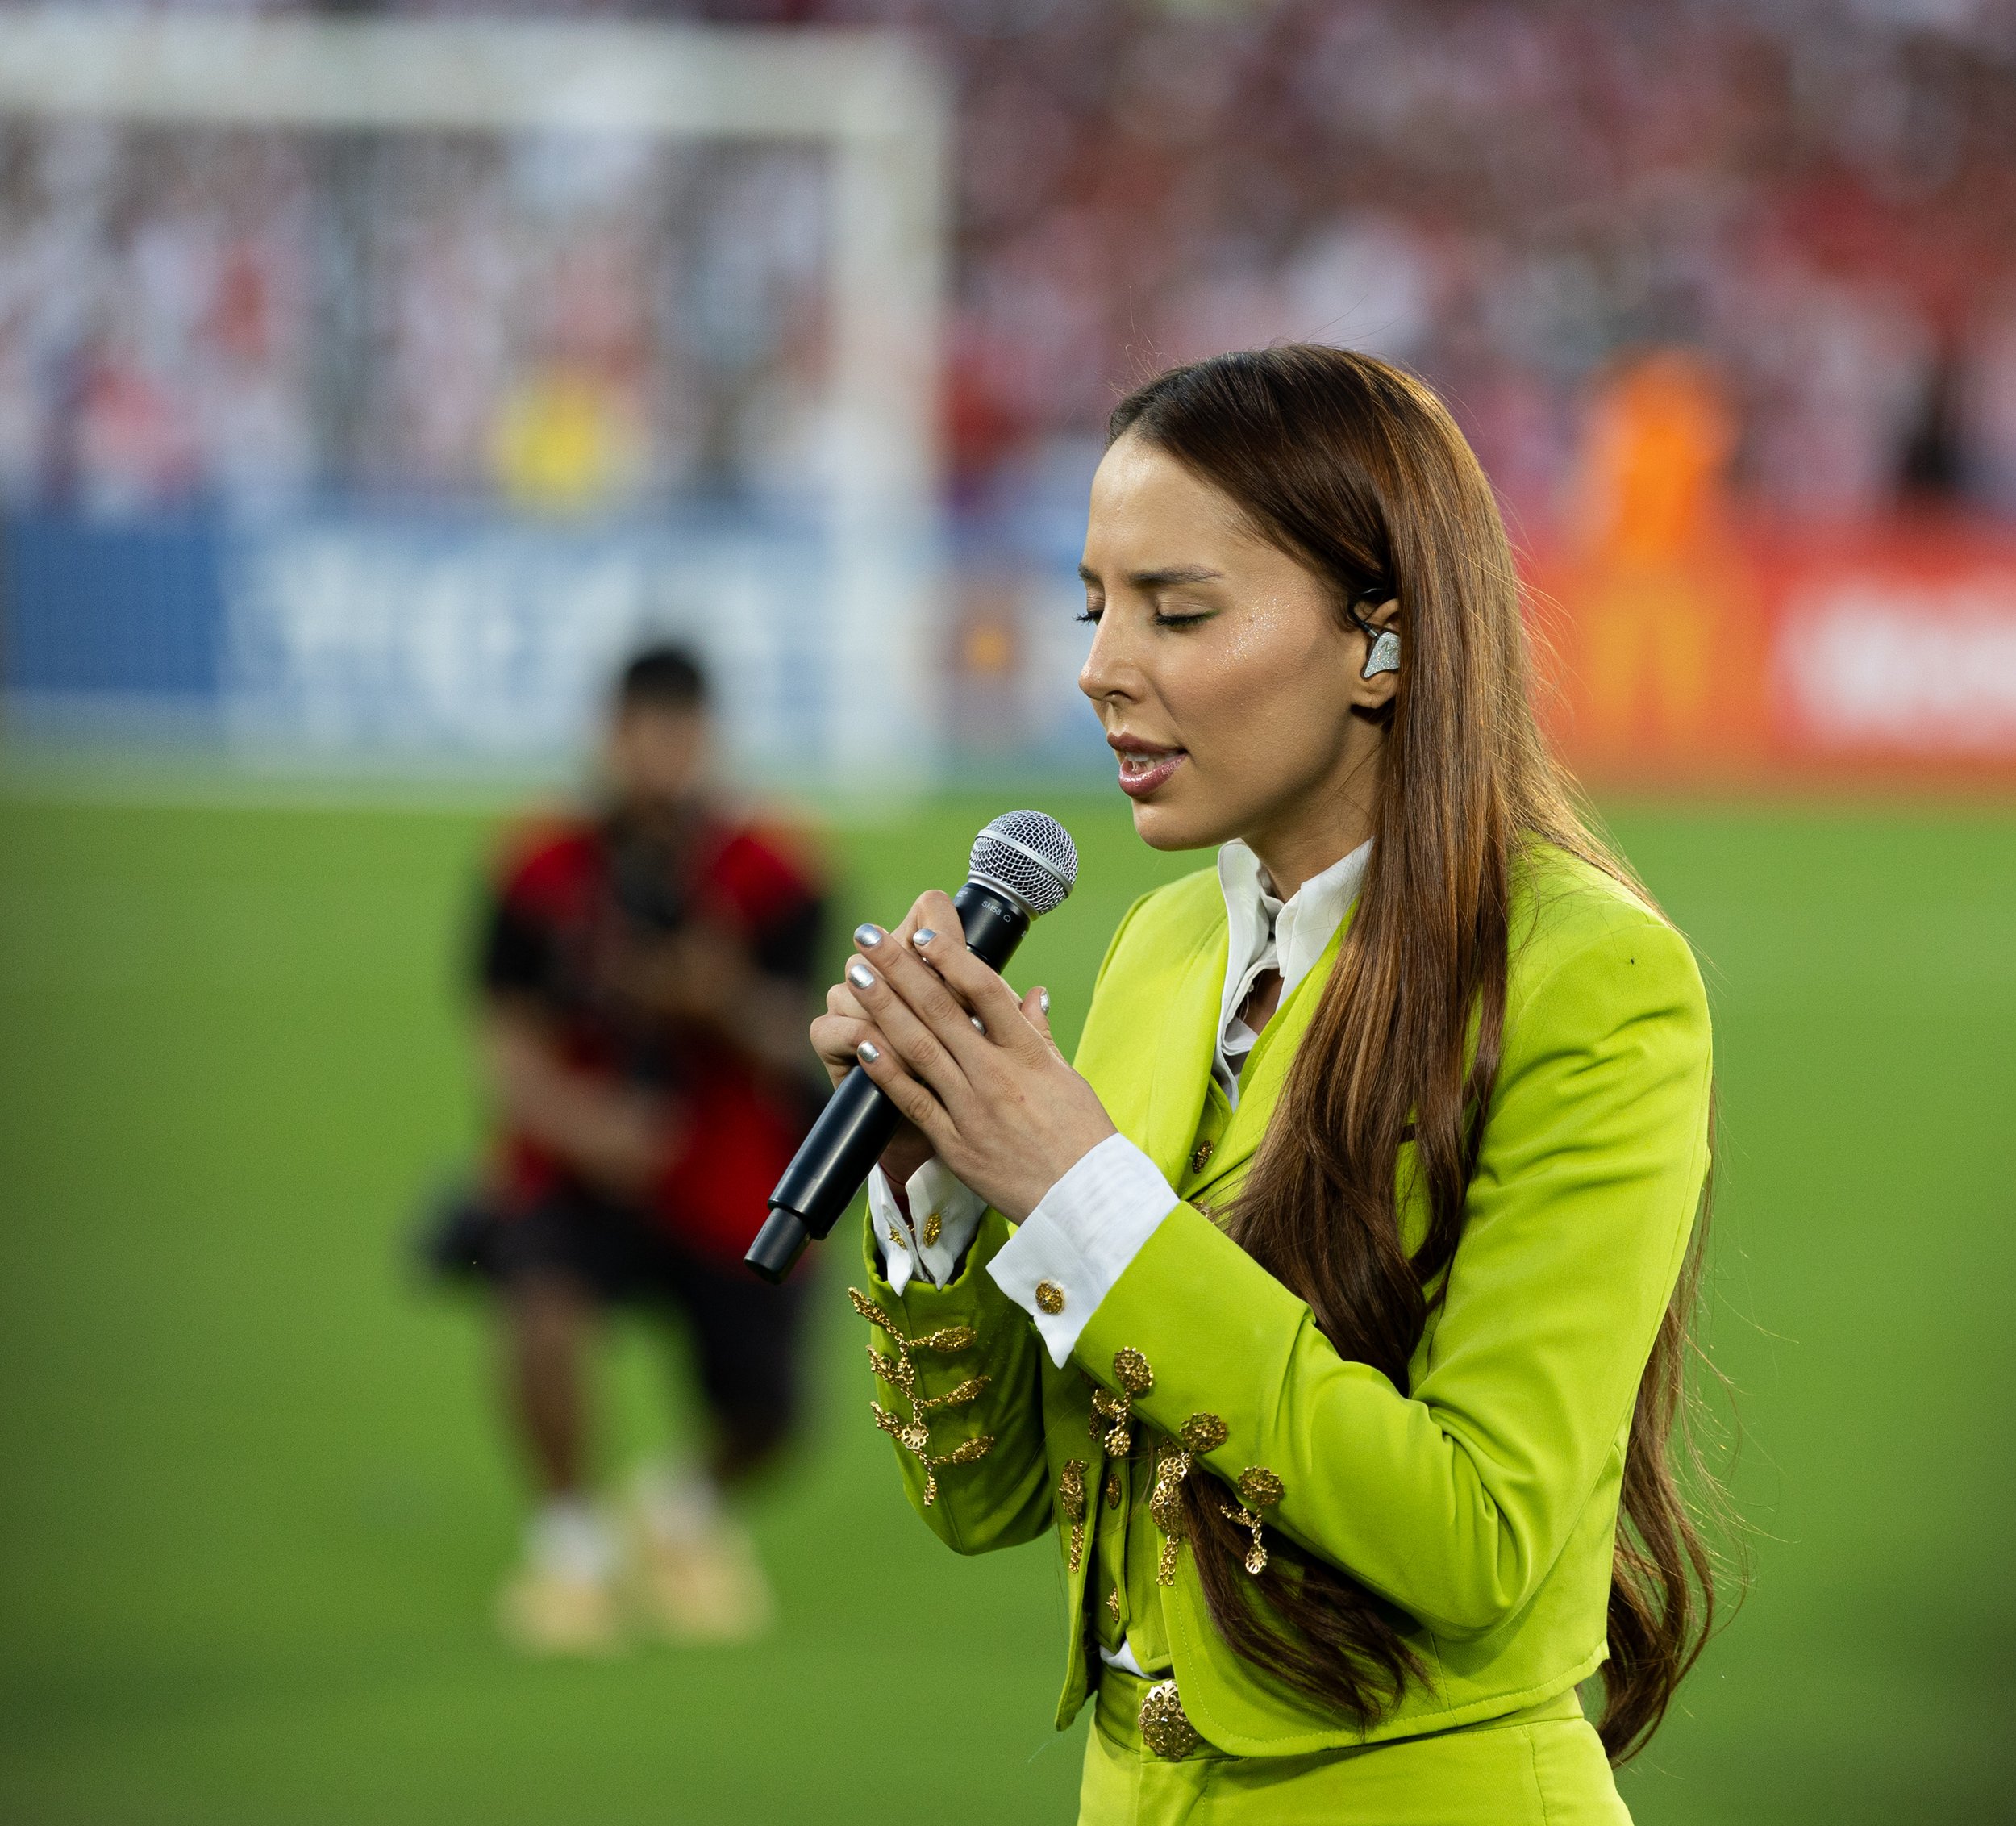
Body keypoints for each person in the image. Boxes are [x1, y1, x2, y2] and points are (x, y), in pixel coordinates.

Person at [816, 348, 1719, 1823]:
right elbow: (982, 1495)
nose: (1104, 664)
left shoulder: (1591, 975)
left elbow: (1477, 1534)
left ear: (1388, 638)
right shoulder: (1164, 943)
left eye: (1179, 610)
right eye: (1094, 605)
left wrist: (1083, 1199)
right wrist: (934, 1182)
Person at [439, 643, 825, 1655]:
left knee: (774, 1416)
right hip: (579, 1149)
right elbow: (502, 1034)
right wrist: (578, 1122)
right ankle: (569, 1546)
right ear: (609, 735)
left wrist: (721, 999)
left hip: (731, 1158)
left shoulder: (775, 865)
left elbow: (807, 1032)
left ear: (708, 740)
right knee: (540, 1308)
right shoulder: (538, 860)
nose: (660, 760)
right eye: (641, 735)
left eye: (680, 736)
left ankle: (679, 1508)